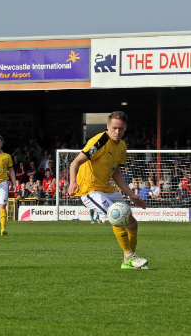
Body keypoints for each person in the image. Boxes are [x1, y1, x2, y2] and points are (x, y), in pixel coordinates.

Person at [68, 111, 148, 270]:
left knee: (132, 222)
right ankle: (131, 257)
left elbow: (116, 172)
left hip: (107, 188)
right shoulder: (100, 141)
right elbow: (75, 162)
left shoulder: (122, 146)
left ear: (125, 128)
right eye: (114, 128)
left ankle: (128, 261)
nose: (117, 132)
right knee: (117, 216)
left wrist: (131, 194)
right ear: (107, 127)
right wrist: (72, 182)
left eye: (120, 129)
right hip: (89, 190)